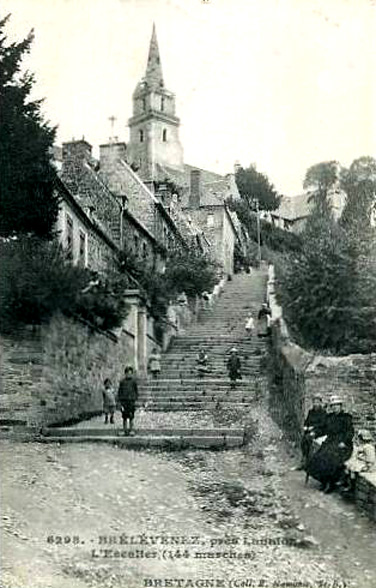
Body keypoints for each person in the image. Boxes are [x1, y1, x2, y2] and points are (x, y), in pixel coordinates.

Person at [306, 395, 354, 493]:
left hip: (343, 444)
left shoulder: (346, 418)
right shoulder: (329, 417)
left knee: (331, 458)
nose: (335, 408)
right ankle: (324, 481)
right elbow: (323, 429)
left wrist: (344, 442)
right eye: (333, 406)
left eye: (337, 406)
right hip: (330, 441)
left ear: (341, 406)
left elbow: (350, 432)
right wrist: (315, 432)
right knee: (318, 457)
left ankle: (330, 483)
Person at [298, 395, 327, 470]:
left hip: (319, 430)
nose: (316, 404)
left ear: (320, 403)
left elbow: (323, 423)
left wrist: (313, 427)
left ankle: (309, 461)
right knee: (303, 440)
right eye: (314, 402)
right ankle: (304, 458)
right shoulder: (311, 412)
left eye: (317, 402)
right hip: (310, 430)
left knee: (309, 438)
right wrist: (305, 426)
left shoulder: (323, 412)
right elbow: (307, 421)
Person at [343, 429, 376, 493]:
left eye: (360, 438)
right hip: (360, 462)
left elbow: (370, 458)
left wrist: (368, 466)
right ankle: (346, 482)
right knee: (348, 465)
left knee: (353, 469)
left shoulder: (368, 447)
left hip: (366, 464)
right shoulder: (362, 446)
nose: (359, 440)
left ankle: (351, 486)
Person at [117, 366, 138, 436]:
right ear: (125, 374)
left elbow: (136, 391)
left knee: (131, 417)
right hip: (124, 402)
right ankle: (125, 430)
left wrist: (134, 398)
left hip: (131, 402)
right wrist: (120, 401)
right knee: (124, 417)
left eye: (130, 373)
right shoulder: (122, 382)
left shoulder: (133, 382)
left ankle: (131, 430)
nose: (129, 375)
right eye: (127, 373)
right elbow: (119, 392)